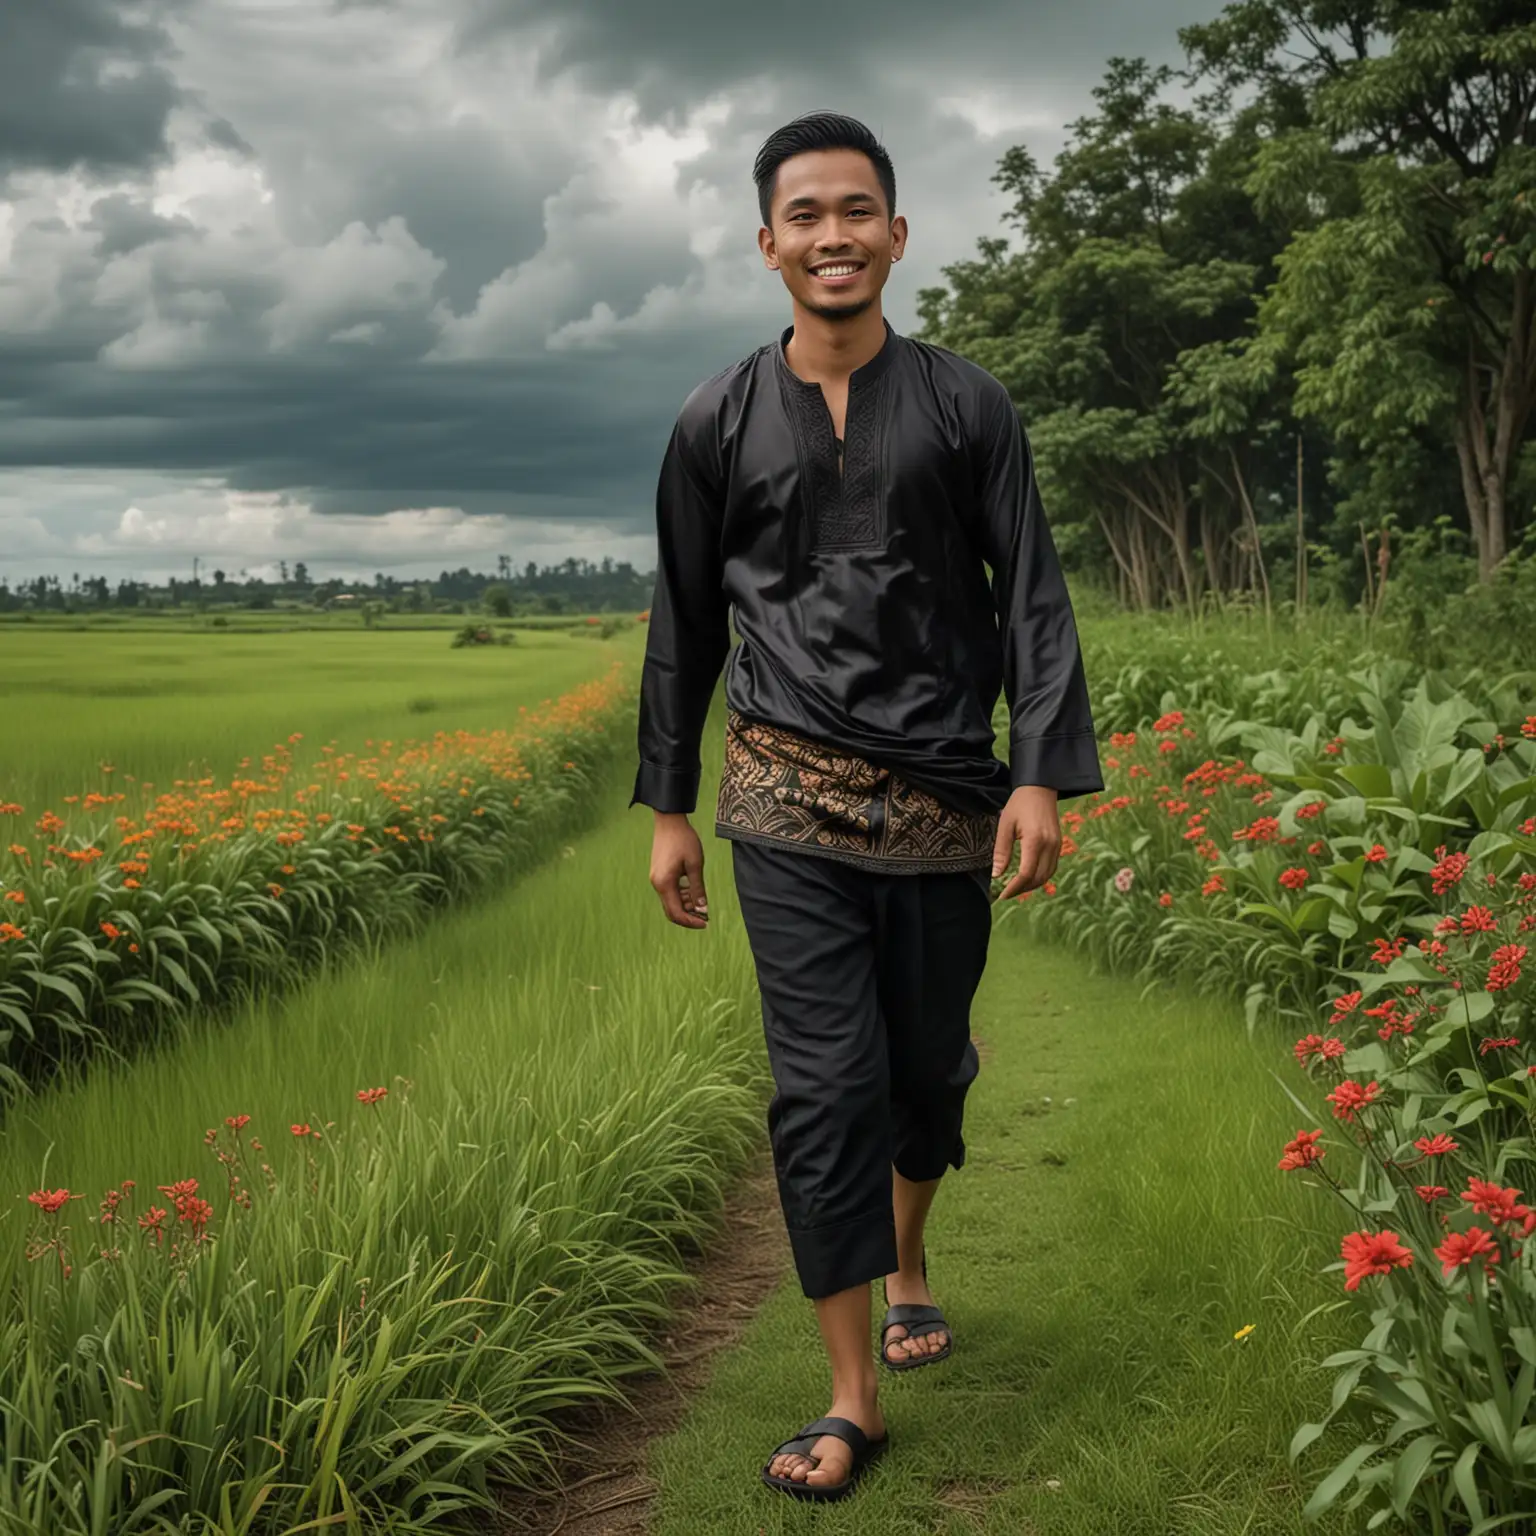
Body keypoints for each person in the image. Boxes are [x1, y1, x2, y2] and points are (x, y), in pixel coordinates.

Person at [631, 110, 1103, 1503]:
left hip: (949, 797)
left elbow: (1031, 593)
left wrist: (1037, 775)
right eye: (806, 215)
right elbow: (683, 623)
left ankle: (909, 1261)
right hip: (784, 797)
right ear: (766, 241)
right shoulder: (714, 420)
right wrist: (669, 807)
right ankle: (850, 1400)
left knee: (924, 1083)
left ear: (898, 235)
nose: (832, 236)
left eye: (858, 212)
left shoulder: (969, 406)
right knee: (823, 1090)